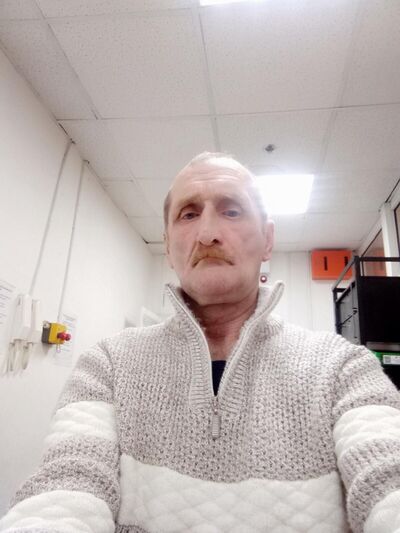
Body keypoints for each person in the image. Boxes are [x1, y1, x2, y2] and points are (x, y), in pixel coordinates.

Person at [1, 152, 400, 533]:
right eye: (188, 214)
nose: (208, 234)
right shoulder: (107, 365)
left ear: (267, 239)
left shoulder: (343, 369)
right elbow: (66, 489)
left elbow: (388, 478)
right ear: (168, 246)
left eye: (232, 211)